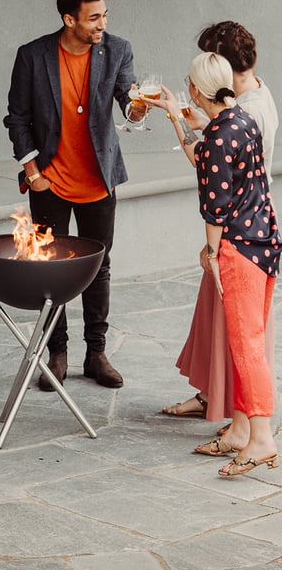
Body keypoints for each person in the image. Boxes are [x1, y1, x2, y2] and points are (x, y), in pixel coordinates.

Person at [4, 0, 144, 390]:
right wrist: (33, 174)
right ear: (70, 19)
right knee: (51, 272)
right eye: (94, 17)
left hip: (99, 181)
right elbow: (17, 118)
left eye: (105, 15)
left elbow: (129, 100)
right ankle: (57, 352)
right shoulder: (33, 56)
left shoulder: (117, 49)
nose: (102, 23)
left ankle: (96, 353)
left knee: (98, 270)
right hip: (50, 182)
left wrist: (138, 109)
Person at [145, 52, 279, 476]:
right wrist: (174, 116)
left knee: (247, 345)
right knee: (246, 341)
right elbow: (205, 161)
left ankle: (262, 439)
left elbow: (214, 205)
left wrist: (212, 254)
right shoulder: (239, 121)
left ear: (196, 91)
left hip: (239, 248)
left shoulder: (221, 134)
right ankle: (240, 429)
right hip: (265, 242)